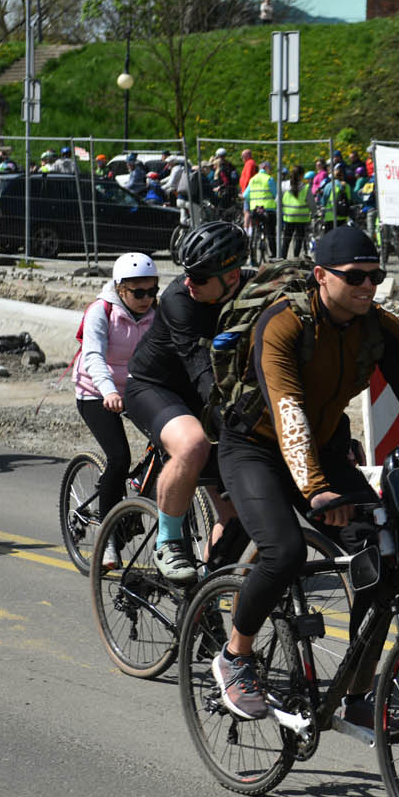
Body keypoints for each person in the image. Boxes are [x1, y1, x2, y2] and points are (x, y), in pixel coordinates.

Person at [208, 226, 399, 726]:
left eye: (376, 276)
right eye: (356, 276)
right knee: (284, 551)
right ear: (321, 276)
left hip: (325, 447)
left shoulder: (381, 328)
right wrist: (318, 490)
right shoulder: (282, 324)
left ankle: (357, 692)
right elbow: (288, 409)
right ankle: (236, 657)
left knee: (383, 555)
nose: (369, 285)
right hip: (254, 446)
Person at [123, 222, 247, 582]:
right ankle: (168, 542)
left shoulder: (251, 289)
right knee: (193, 445)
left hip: (202, 395)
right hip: (153, 387)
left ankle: (207, 585)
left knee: (243, 508)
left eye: (200, 276)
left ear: (232, 276)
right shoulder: (180, 299)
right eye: (186, 273)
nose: (188, 282)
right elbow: (198, 365)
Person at [74, 252, 161, 568]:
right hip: (96, 391)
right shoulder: (101, 311)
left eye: (152, 291)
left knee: (173, 442)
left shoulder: (156, 313)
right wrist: (108, 390)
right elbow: (93, 355)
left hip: (136, 389)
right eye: (138, 292)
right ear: (120, 288)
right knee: (119, 458)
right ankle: (108, 540)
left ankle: (140, 497)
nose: (146, 298)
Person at [243, 161, 277, 260]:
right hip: (268, 210)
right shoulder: (269, 179)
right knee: (271, 234)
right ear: (266, 168)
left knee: (254, 233)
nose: (270, 171)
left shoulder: (252, 179)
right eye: (270, 169)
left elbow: (245, 195)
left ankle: (253, 256)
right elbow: (276, 194)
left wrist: (253, 200)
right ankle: (274, 255)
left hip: (255, 210)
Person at [278, 165, 311, 258]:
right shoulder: (305, 187)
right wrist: (314, 213)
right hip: (302, 218)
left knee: (286, 240)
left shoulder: (283, 185)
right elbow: (312, 205)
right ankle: (296, 259)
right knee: (299, 240)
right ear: (301, 175)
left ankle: (282, 259)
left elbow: (277, 201)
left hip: (289, 217)